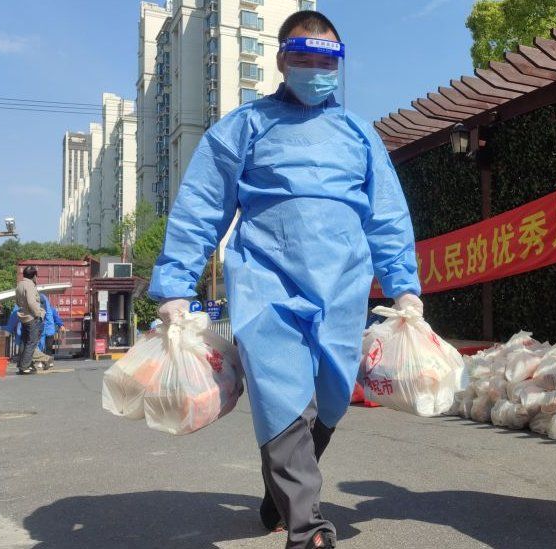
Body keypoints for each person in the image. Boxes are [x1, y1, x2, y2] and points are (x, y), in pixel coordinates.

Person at [148, 10, 422, 549]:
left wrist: (403, 284)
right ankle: (308, 526)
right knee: (280, 392)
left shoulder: (359, 134)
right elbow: (202, 204)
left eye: (327, 58)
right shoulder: (245, 127)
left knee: (330, 397)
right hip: (265, 281)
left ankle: (280, 495)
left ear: (338, 64)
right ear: (280, 61)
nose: (315, 67)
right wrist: (176, 284)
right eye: (303, 56)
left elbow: (387, 214)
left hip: (342, 286)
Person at [14, 266, 48, 375]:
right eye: (36, 276)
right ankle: (25, 366)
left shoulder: (20, 285)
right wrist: (38, 314)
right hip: (32, 317)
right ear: (33, 276)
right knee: (32, 342)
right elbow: (32, 302)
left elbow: (18, 302)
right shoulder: (30, 285)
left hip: (23, 317)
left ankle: (21, 364)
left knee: (24, 341)